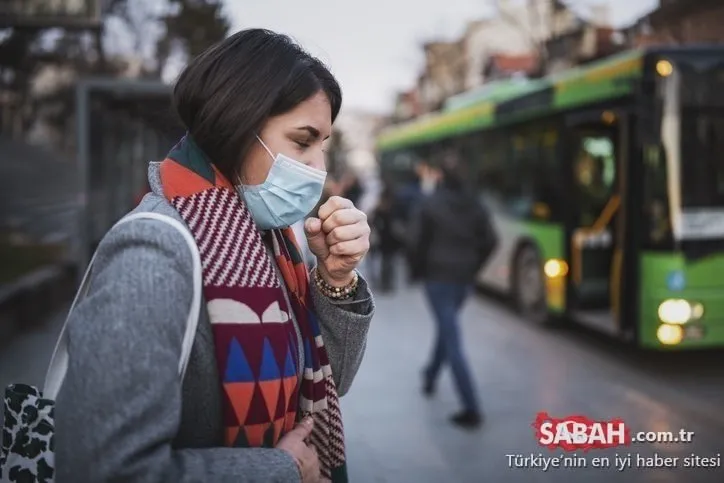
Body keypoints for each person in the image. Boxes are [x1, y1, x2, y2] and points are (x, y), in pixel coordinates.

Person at [55, 29, 374, 483]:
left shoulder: (272, 239)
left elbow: (324, 382)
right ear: (237, 127)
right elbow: (104, 469)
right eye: (303, 142)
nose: (319, 169)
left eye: (323, 145)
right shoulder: (154, 255)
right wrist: (280, 469)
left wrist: (336, 276)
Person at [409, 162, 497, 429]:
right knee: (447, 329)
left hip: (438, 279)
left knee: (451, 336)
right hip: (463, 281)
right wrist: (473, 267)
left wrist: (418, 271)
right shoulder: (476, 205)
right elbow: (491, 241)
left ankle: (471, 407)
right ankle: (430, 374)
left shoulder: (430, 203)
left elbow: (415, 242)